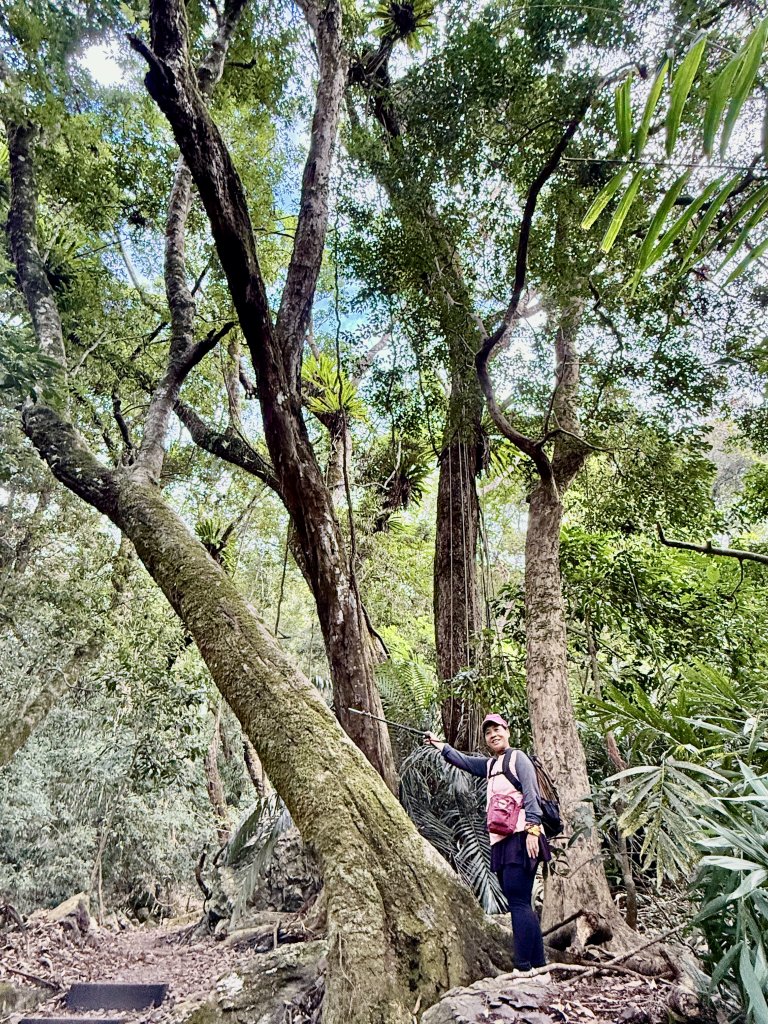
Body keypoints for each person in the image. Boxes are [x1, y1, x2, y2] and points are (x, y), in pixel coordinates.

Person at [424, 713, 550, 972]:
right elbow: (465, 762)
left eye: (498, 729)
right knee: (520, 901)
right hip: (502, 841)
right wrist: (440, 745)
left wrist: (534, 830)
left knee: (518, 901)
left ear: (508, 731)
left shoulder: (518, 759)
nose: (493, 734)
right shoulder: (492, 765)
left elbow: (531, 793)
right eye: (488, 732)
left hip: (522, 837)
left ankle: (524, 968)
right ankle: (539, 967)